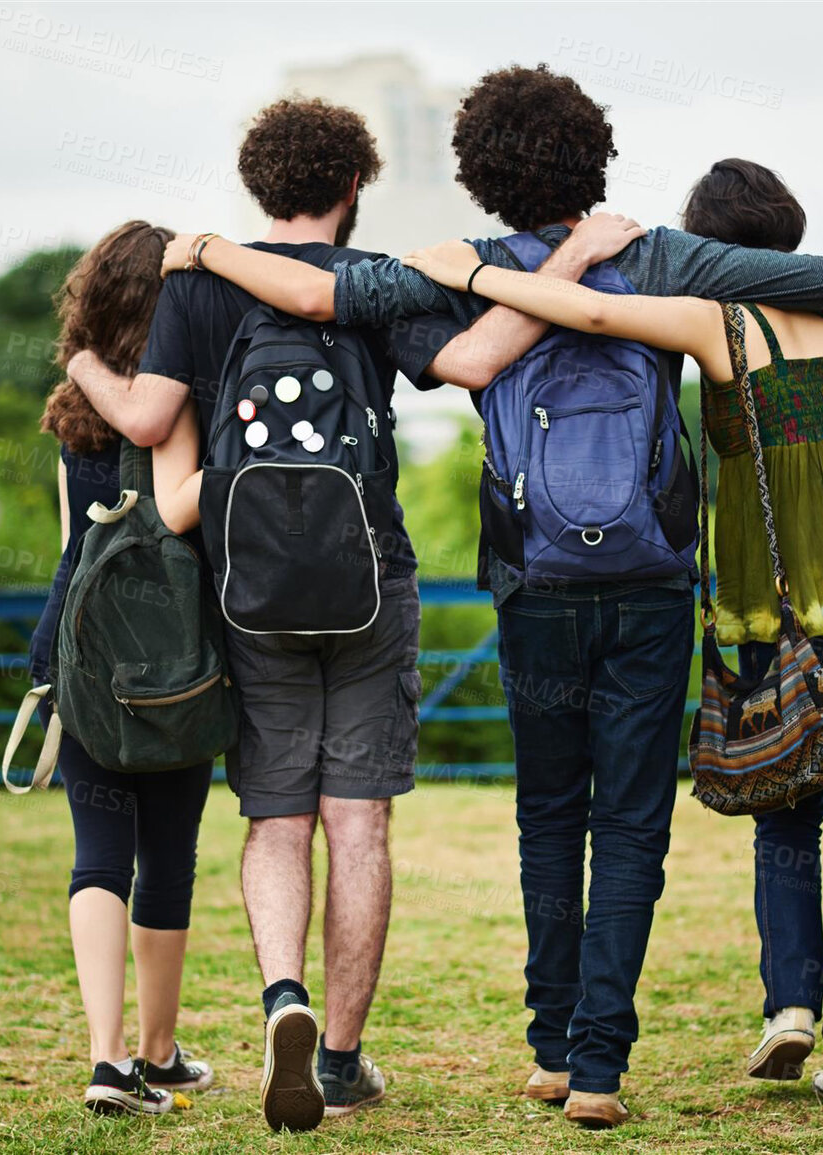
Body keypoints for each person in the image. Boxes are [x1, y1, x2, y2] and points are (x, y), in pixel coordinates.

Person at [153, 65, 823, 1130]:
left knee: (545, 818)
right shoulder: (659, 256)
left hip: (531, 583)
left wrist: (203, 250)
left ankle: (539, 1042)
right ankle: (594, 1068)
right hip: (652, 580)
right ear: (596, 156)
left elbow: (321, 295)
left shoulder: (458, 266)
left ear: (478, 178)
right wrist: (599, 259)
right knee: (627, 826)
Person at [66, 97, 591, 1131]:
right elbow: (479, 360)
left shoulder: (200, 284)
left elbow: (143, 419)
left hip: (246, 590)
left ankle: (281, 998)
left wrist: (83, 355)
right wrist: (567, 268)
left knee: (275, 816)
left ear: (259, 187)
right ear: (353, 188)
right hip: (368, 580)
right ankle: (341, 1061)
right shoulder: (371, 280)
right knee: (359, 821)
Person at [398, 155, 823, 1114]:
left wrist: (476, 275)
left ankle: (788, 1004)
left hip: (795, 622)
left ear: (708, 250)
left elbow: (600, 316)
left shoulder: (718, 321)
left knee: (784, 814)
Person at [29, 220, 213, 1116]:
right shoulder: (177, 398)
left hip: (78, 643)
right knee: (167, 854)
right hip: (167, 657)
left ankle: (108, 1061)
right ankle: (157, 1050)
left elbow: (72, 545)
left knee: (96, 853)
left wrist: (56, 652)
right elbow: (176, 510)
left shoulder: (78, 405)